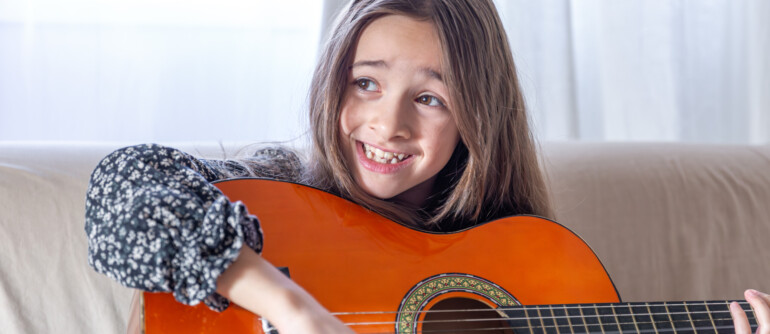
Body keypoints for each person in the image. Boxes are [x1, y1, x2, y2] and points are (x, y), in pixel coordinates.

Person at [85, 1, 769, 333]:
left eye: (432, 98)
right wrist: (296, 310)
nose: (390, 124)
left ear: (477, 115)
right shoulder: (279, 189)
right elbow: (120, 190)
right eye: (367, 83)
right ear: (331, 86)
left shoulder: (521, 255)